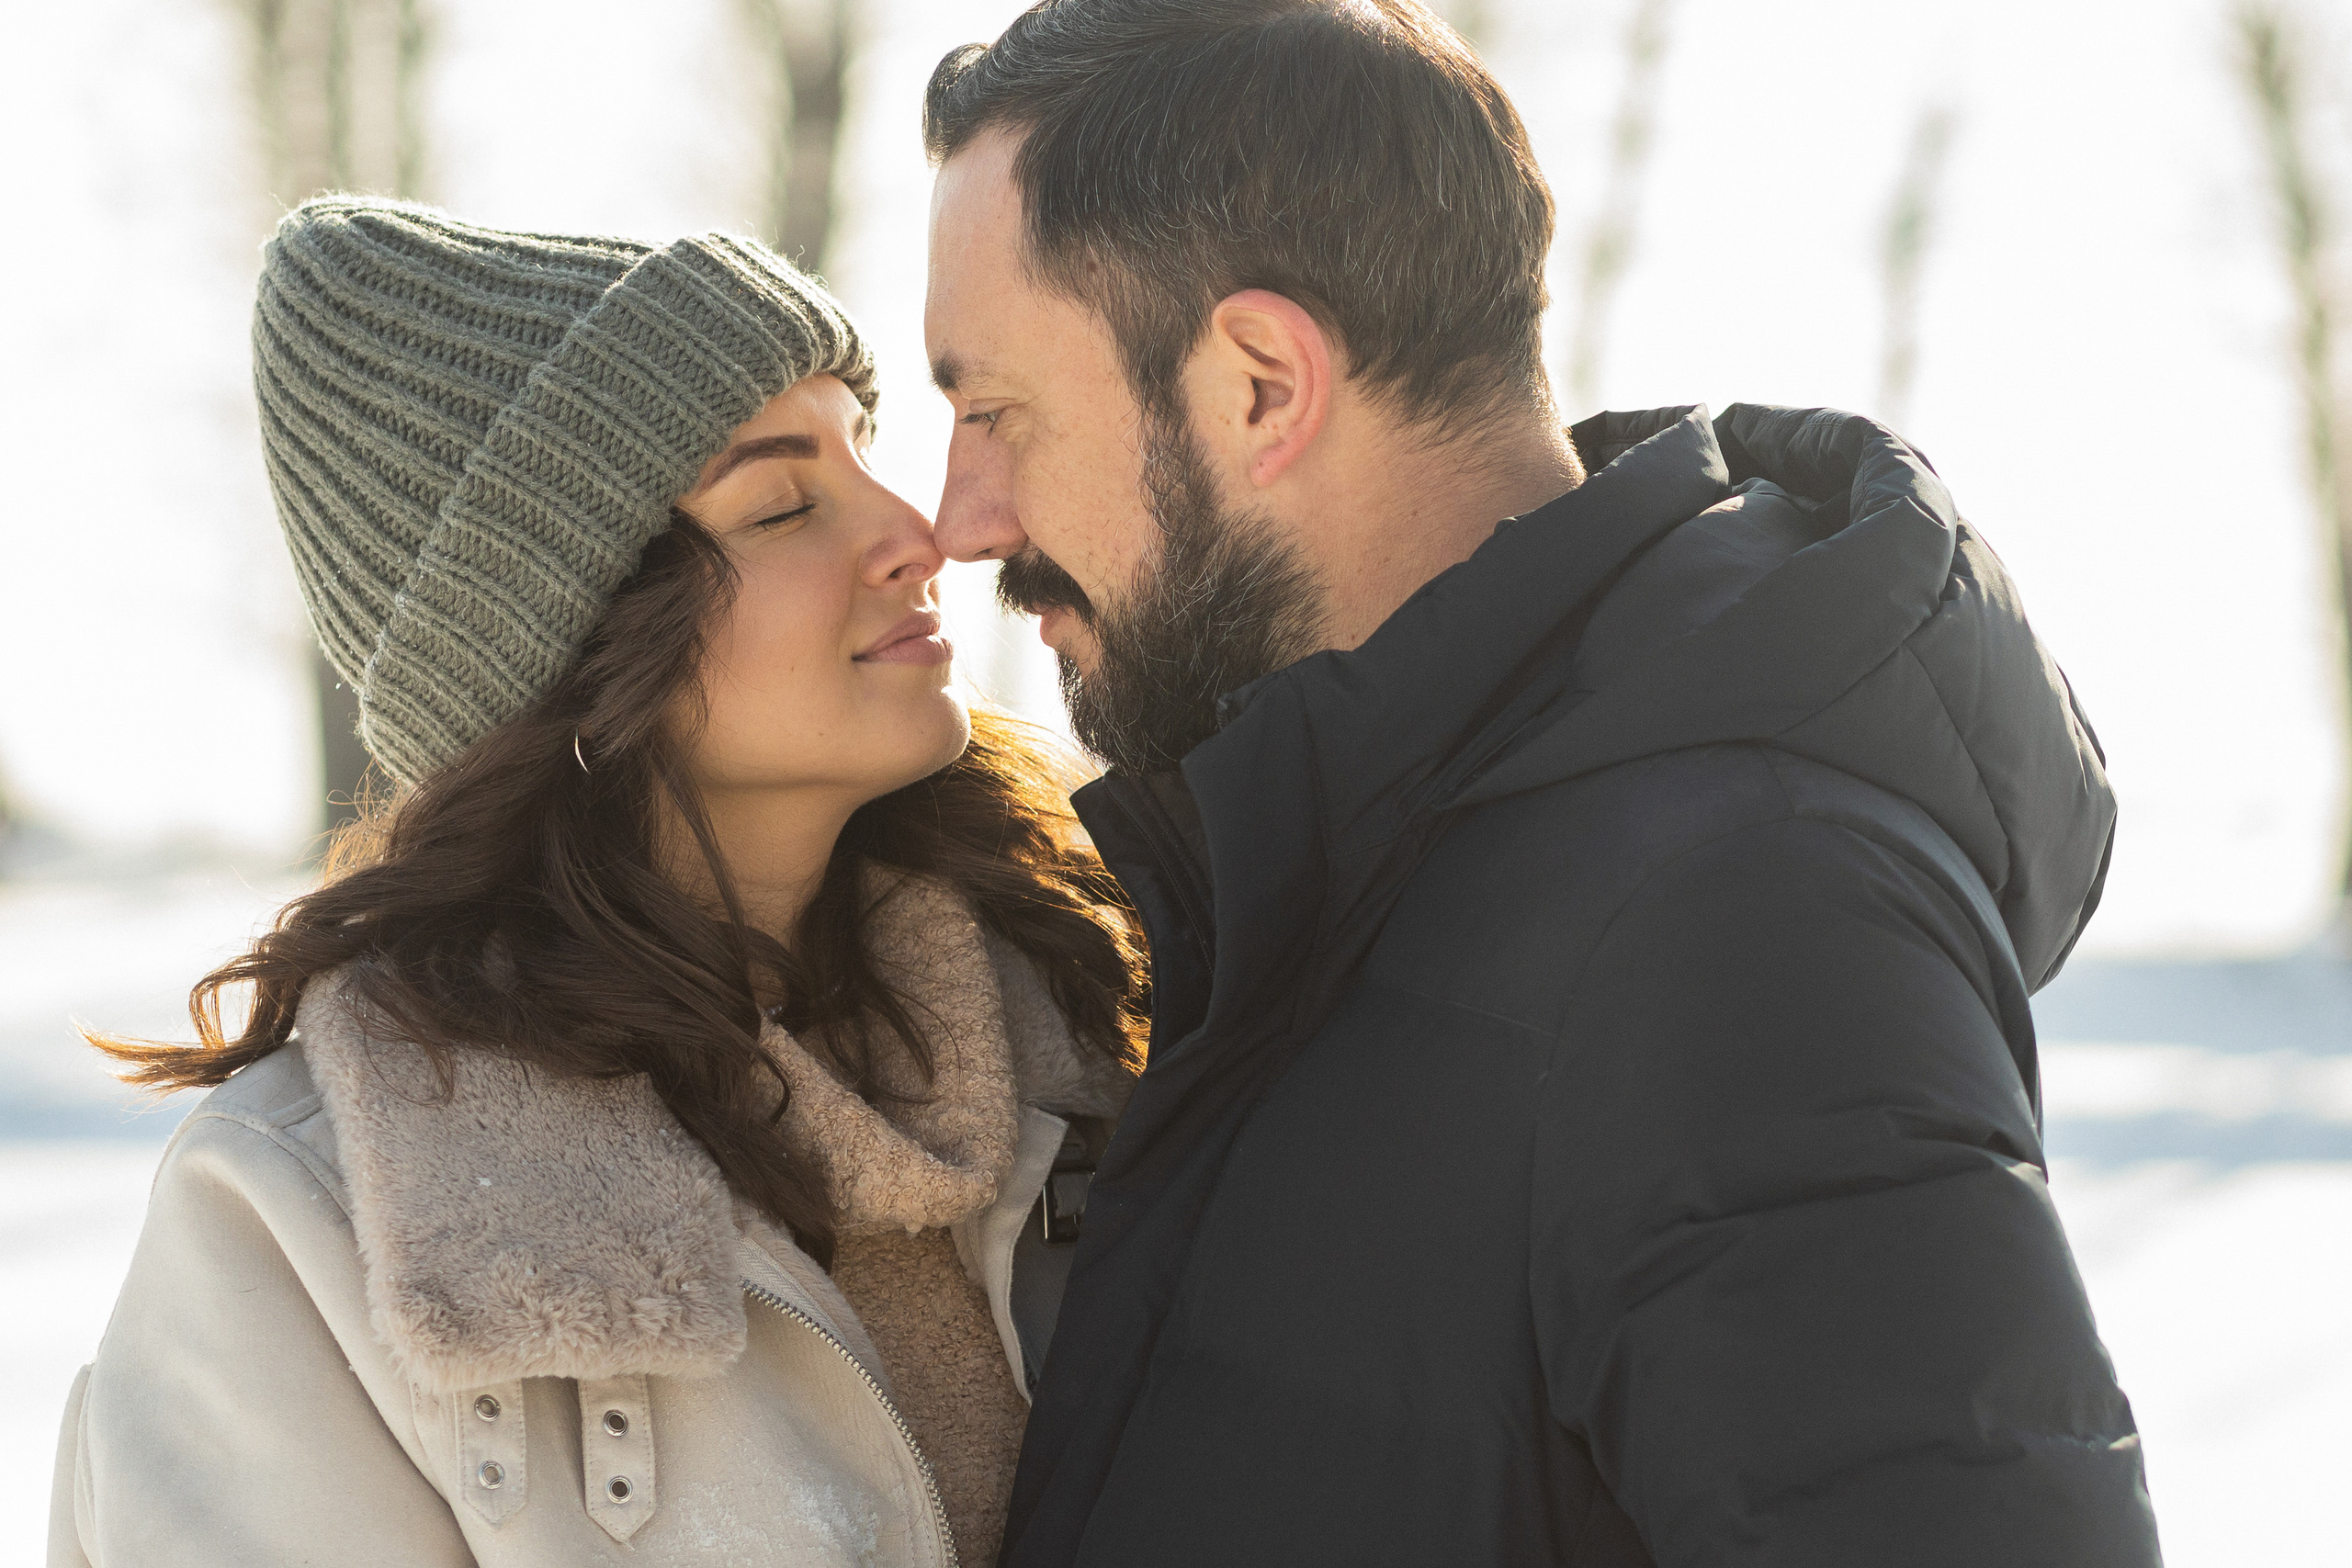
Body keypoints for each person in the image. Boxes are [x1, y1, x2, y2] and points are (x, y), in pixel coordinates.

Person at [919, 3, 2163, 1564]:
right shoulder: (1338, 876)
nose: (959, 518)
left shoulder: (1737, 918)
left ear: (1258, 385)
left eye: (992, 413)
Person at [48, 197, 1144, 1568]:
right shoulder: (300, 1229)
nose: (915, 530)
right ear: (577, 650)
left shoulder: (1113, 1033)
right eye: (784, 501)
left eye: (864, 453)